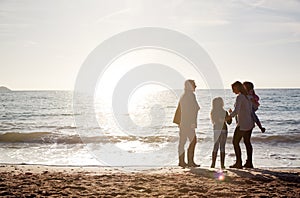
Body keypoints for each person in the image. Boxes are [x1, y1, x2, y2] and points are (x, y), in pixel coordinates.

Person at [173, 80, 200, 168]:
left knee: (183, 142)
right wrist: (192, 123)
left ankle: (182, 161)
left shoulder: (184, 95)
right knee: (192, 141)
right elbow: (191, 110)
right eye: (194, 85)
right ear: (189, 86)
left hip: (183, 122)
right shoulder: (190, 95)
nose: (195, 86)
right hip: (187, 122)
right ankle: (189, 161)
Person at [228, 81, 255, 169]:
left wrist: (229, 116)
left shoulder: (240, 97)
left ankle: (238, 163)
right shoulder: (248, 97)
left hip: (242, 124)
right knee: (247, 142)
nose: (233, 91)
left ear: (237, 88)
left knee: (235, 142)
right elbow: (251, 110)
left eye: (233, 89)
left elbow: (236, 111)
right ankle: (249, 162)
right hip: (250, 123)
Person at [210, 97, 232, 169]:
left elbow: (215, 121)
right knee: (222, 147)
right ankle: (222, 165)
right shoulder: (225, 112)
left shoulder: (213, 112)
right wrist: (230, 115)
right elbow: (229, 122)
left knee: (215, 147)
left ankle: (213, 164)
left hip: (216, 130)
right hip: (223, 130)